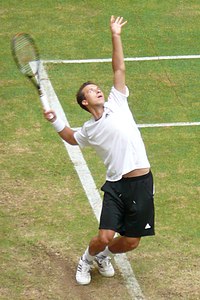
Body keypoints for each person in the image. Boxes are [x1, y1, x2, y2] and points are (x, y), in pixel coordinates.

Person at [44, 15, 155, 285]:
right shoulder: (89, 129)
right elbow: (71, 137)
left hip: (142, 182)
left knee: (130, 242)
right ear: (84, 102)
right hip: (117, 186)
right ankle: (86, 258)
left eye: (98, 88)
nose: (98, 90)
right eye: (92, 91)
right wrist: (54, 120)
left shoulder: (118, 101)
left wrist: (115, 35)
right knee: (105, 234)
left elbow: (118, 70)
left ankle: (102, 256)